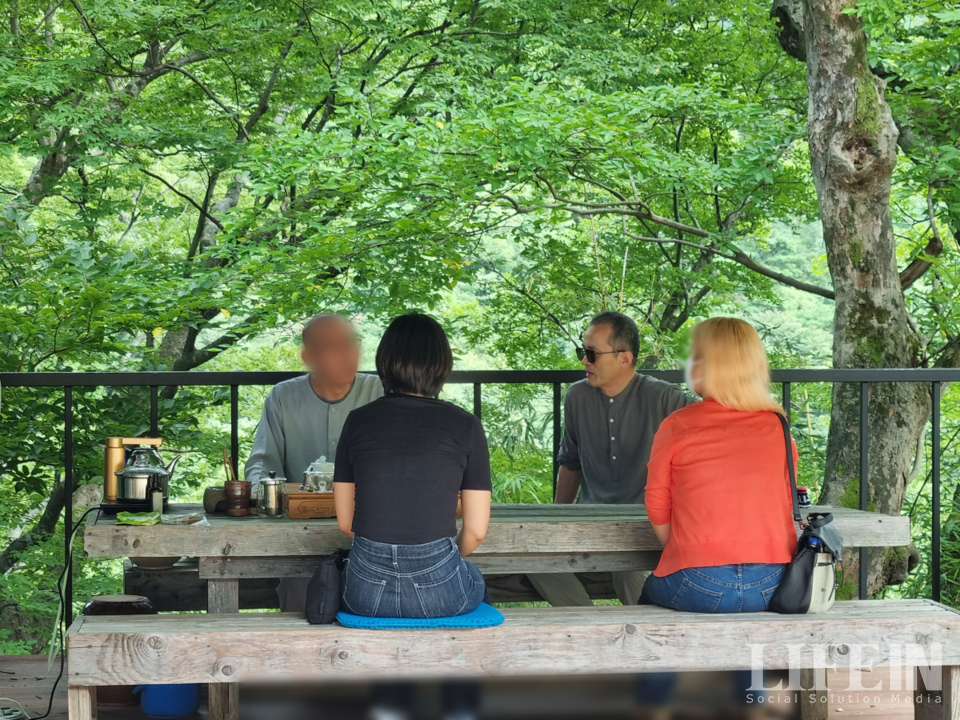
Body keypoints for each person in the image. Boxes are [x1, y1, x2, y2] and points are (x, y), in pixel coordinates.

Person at [640, 317, 797, 720]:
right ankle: (751, 703)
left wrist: (683, 552)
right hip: (773, 581)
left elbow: (657, 505)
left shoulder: (677, 425)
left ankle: (654, 704)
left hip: (697, 582)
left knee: (647, 603)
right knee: (749, 615)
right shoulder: (780, 429)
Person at [527, 311, 695, 608]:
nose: (584, 361)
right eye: (583, 351)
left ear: (624, 358)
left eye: (591, 353)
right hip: (589, 520)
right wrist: (556, 519)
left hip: (644, 525)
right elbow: (571, 462)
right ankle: (586, 624)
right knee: (533, 558)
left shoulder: (665, 398)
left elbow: (711, 429)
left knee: (628, 572)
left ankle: (641, 640)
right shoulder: (577, 397)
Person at [333, 312, 492, 619]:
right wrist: (433, 563)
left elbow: (344, 523)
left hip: (364, 592)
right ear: (442, 365)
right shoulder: (466, 426)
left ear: (385, 362)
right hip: (441, 589)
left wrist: (387, 554)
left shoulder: (357, 422)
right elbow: (475, 530)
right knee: (476, 582)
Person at [244, 313, 382, 610]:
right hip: (301, 533)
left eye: (351, 343)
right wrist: (267, 497)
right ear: (309, 357)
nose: (348, 354)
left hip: (370, 531)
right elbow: (261, 464)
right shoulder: (284, 396)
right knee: (300, 601)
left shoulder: (381, 392)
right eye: (334, 346)